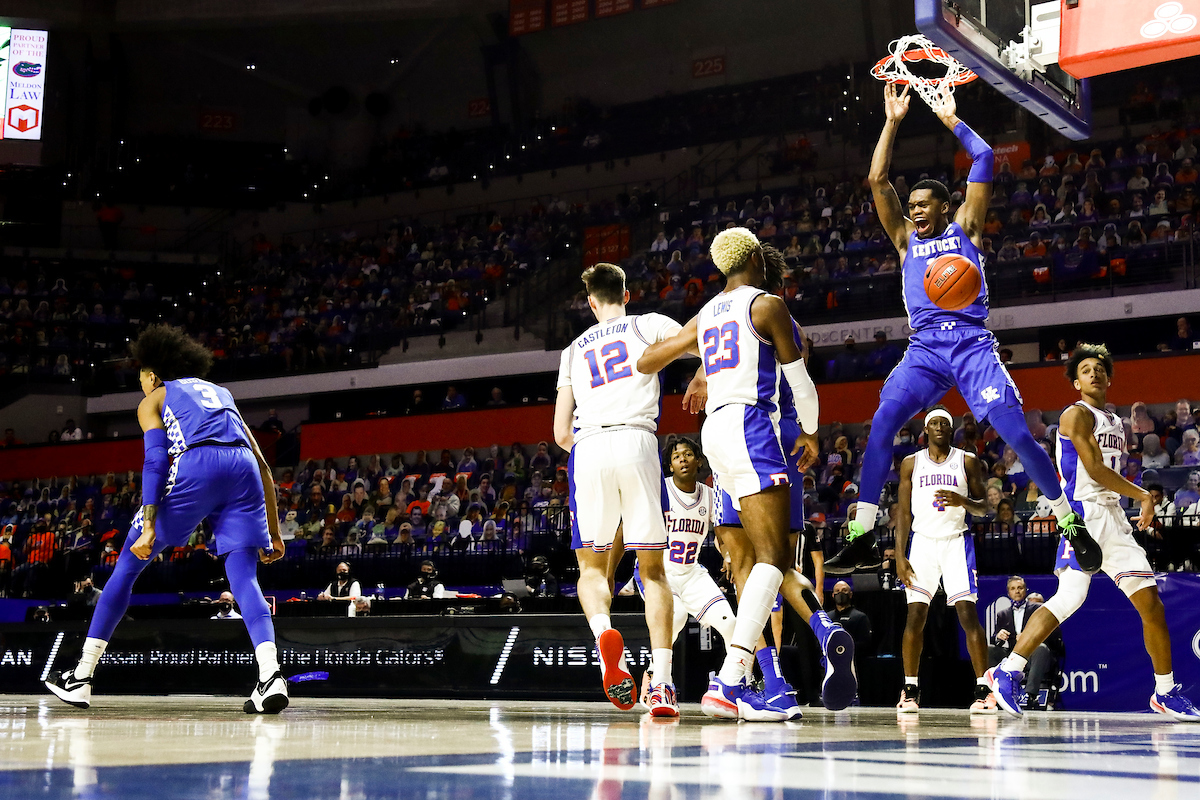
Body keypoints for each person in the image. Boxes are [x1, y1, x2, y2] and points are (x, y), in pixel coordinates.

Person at [827, 82, 1102, 577]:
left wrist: (952, 119)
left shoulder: (965, 229)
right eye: (910, 205)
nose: (913, 209)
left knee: (1016, 433)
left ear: (942, 206)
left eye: (922, 204)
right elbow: (876, 177)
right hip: (925, 348)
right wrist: (891, 121)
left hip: (972, 344)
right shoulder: (905, 240)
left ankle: (1068, 521)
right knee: (883, 423)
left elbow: (985, 158)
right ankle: (863, 531)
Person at [637, 229, 855, 720]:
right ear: (756, 257)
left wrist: (694, 366)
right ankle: (734, 679)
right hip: (754, 427)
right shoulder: (770, 306)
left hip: (714, 432)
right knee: (775, 559)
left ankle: (752, 676)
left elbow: (650, 357)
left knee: (757, 561)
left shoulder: (710, 310)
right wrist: (814, 433)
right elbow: (801, 383)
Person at [45, 324, 287, 714]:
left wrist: (150, 525)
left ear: (153, 373)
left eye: (140, 373)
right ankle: (270, 676)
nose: (139, 381)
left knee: (126, 567)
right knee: (244, 577)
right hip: (243, 471)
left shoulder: (155, 396)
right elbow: (263, 465)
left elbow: (156, 460)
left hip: (199, 463)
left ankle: (82, 676)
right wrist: (274, 534)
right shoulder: (222, 393)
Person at [988, 344, 1200, 721]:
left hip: (1113, 517)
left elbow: (1110, 475)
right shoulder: (1076, 414)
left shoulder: (1115, 421)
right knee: (1069, 598)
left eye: (1100, 368)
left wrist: (1134, 499)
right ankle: (1007, 670)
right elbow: (1095, 469)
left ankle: (1165, 692)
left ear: (1109, 378)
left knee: (1151, 604)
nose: (1095, 373)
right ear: (1076, 382)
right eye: (1086, 369)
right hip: (1083, 515)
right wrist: (1144, 496)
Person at [553, 262, 689, 718]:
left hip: (588, 446)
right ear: (626, 295)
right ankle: (664, 685)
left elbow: (558, 432)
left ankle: (603, 632)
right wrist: (703, 375)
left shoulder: (572, 350)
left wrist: (588, 450)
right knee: (653, 573)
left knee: (591, 569)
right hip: (637, 440)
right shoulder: (647, 324)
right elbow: (698, 340)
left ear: (591, 303)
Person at [893, 407, 995, 714]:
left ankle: (983, 690)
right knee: (915, 617)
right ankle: (910, 688)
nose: (939, 427)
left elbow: (984, 508)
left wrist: (961, 500)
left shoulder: (967, 461)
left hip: (956, 542)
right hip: (921, 543)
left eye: (944, 424)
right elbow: (903, 513)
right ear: (925, 430)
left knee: (967, 615)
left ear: (952, 430)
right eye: (933, 423)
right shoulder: (911, 464)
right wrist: (900, 556)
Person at [631, 437, 740, 708]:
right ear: (669, 465)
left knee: (730, 624)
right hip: (659, 571)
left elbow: (720, 535)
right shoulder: (660, 490)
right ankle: (657, 680)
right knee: (676, 616)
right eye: (676, 456)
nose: (682, 459)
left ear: (698, 460)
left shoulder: (710, 494)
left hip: (691, 572)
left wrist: (727, 554)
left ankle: (734, 685)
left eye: (688, 454)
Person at [987, 576, 1062, 710]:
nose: (1017, 591)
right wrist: (999, 636)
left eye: (1020, 588)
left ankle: (1030, 695)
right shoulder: (1002, 614)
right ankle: (991, 694)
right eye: (1013, 588)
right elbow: (995, 640)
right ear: (1008, 592)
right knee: (990, 649)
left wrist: (1031, 637)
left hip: (1031, 654)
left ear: (1025, 590)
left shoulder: (1038, 609)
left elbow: (1054, 634)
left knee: (1041, 648)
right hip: (1011, 653)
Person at [827, 581, 872, 656]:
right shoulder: (827, 617)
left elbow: (865, 643)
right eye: (837, 591)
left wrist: (845, 647)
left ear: (850, 594)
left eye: (844, 590)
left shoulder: (860, 617)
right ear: (833, 595)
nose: (840, 593)